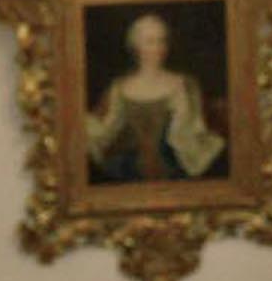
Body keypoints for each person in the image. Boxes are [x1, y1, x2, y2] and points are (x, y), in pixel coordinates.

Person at [85, 11, 227, 182]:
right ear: (137, 46)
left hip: (178, 172)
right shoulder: (119, 88)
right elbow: (103, 133)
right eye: (151, 42)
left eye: (162, 41)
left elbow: (198, 133)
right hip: (128, 174)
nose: (159, 48)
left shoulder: (184, 85)